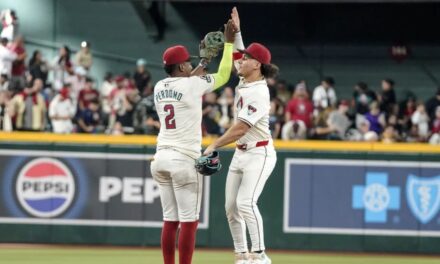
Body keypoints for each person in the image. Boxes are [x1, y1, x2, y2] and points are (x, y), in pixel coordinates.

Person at [150, 19, 235, 264]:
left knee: (170, 220)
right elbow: (224, 74)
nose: (190, 63)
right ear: (180, 67)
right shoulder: (191, 85)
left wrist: (204, 62)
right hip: (183, 160)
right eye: (187, 61)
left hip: (161, 158)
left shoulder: (159, 86)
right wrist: (228, 45)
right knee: (189, 220)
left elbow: (188, 81)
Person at [204, 7, 277, 264]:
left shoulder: (258, 90)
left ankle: (260, 255)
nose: (240, 61)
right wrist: (237, 31)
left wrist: (213, 144)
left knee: (246, 203)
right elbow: (237, 50)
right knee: (231, 209)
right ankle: (242, 256)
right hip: (242, 152)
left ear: (257, 64)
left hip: (259, 151)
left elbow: (241, 128)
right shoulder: (247, 78)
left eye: (246, 59)